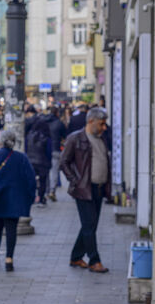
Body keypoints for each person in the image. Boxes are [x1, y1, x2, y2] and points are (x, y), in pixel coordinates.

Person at [60, 108, 111, 273]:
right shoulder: (76, 138)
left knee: (90, 225)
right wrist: (75, 180)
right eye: (101, 124)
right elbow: (64, 162)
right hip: (83, 189)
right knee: (89, 225)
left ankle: (76, 257)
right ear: (91, 121)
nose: (104, 127)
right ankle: (94, 260)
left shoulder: (101, 139)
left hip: (99, 187)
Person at [0, 130, 36, 271]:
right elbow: (30, 179)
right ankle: (9, 258)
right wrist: (30, 197)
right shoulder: (21, 158)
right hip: (15, 199)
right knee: (11, 229)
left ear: (0, 141)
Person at [25, 118, 52, 207]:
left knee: (31, 181)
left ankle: (31, 198)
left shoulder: (29, 136)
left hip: (31, 162)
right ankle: (40, 199)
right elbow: (48, 151)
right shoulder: (46, 138)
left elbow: (26, 149)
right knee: (43, 181)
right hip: (42, 162)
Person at [43, 106, 67, 201]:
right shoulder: (59, 123)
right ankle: (52, 191)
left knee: (46, 172)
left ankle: (46, 191)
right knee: (54, 171)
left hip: (44, 149)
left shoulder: (43, 121)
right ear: (57, 113)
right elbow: (65, 136)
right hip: (56, 149)